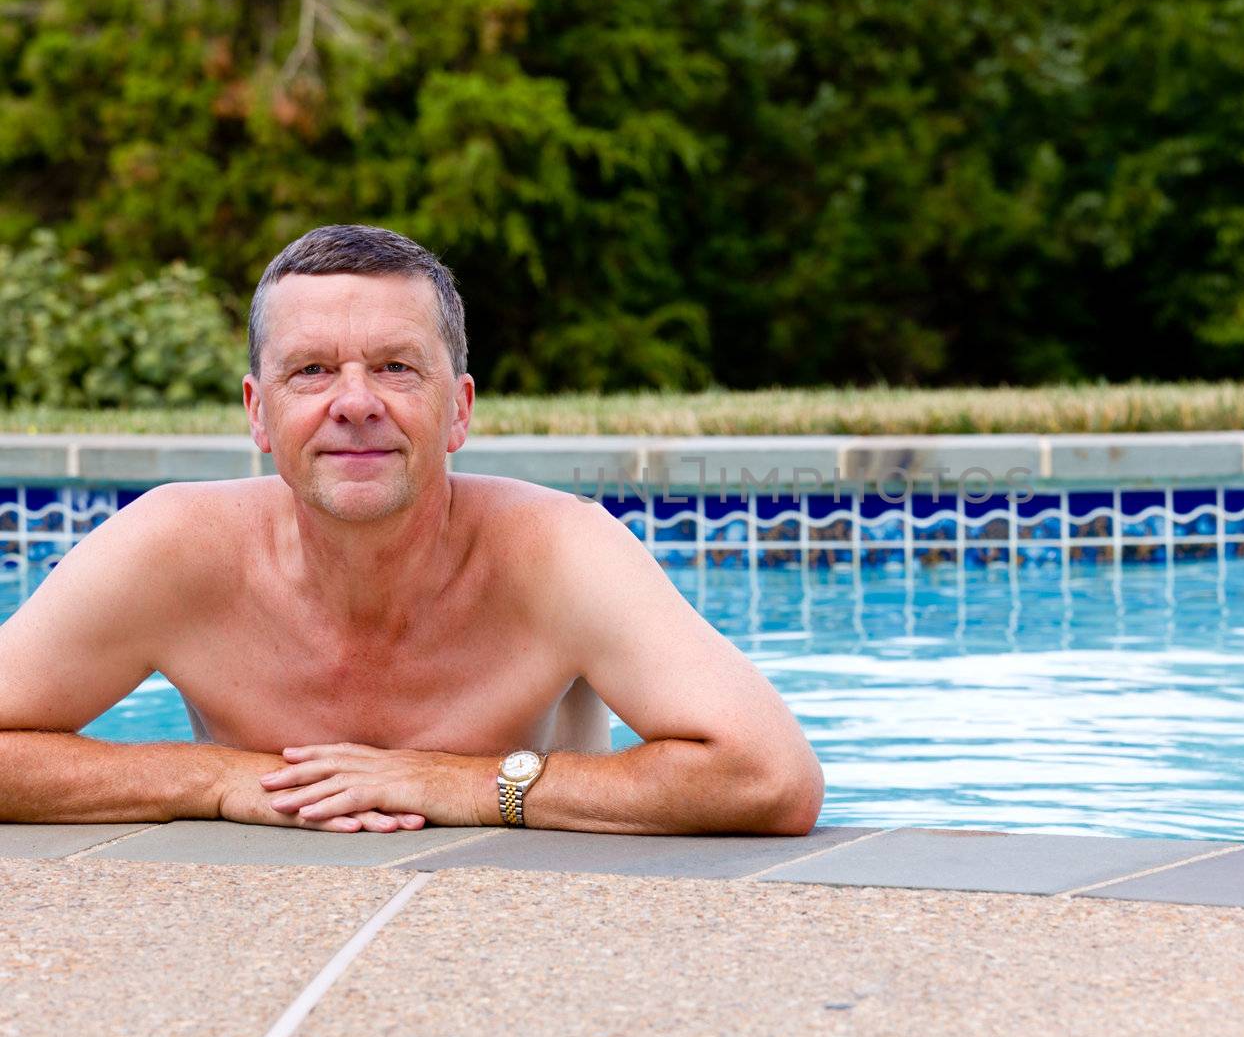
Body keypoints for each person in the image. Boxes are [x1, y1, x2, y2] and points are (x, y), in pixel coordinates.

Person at [0, 225, 823, 835]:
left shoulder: (558, 553)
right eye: (311, 370)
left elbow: (772, 777)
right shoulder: (174, 549)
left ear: (457, 409)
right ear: (259, 412)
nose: (354, 403)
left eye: (395, 367)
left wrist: (463, 785)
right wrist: (214, 777)